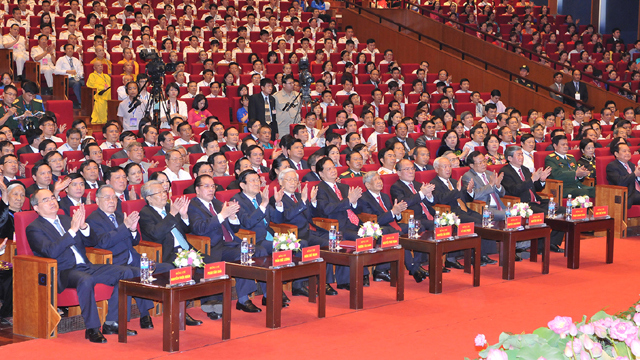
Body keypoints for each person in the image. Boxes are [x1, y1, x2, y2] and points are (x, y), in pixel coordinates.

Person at [26, 191, 136, 343]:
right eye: (46, 200)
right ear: (36, 207)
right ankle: (92, 329)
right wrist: (72, 231)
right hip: (64, 271)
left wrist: (83, 226)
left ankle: (112, 323)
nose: (52, 201)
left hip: (86, 266)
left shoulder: (67, 219)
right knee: (86, 280)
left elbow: (91, 242)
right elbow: (50, 252)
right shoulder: (34, 228)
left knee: (126, 273)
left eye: (52, 197)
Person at [187, 174, 267, 314]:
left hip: (232, 242)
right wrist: (222, 216)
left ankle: (268, 293)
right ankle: (243, 300)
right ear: (197, 190)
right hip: (215, 247)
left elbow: (235, 229)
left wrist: (233, 218)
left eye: (213, 186)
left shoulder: (218, 203)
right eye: (206, 186)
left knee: (260, 251)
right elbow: (199, 228)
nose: (211, 189)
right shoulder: (193, 206)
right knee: (244, 255)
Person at [85, 184, 162, 328]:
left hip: (133, 258)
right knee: (137, 273)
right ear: (97, 200)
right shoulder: (94, 219)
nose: (112, 201)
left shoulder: (120, 215)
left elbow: (135, 241)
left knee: (165, 267)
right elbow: (103, 242)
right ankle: (141, 316)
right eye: (107, 197)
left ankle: (150, 314)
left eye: (114, 197)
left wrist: (132, 230)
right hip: (113, 261)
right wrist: (124, 227)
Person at [137, 181, 213, 324]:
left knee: (211, 264)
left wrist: (184, 216)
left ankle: (210, 303)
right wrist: (172, 213)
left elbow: (186, 230)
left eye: (164, 191)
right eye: (159, 192)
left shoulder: (169, 207)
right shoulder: (146, 213)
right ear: (149, 198)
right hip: (168, 252)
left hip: (186, 249)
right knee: (185, 269)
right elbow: (156, 234)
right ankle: (180, 312)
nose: (163, 194)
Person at [431, 156, 497, 267]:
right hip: (452, 213)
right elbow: (440, 199)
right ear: (437, 169)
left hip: (465, 209)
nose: (448, 169)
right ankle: (472, 256)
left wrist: (469, 192)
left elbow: (466, 199)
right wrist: (456, 190)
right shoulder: (434, 184)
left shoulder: (453, 181)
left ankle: (483, 254)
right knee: (476, 223)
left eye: (450, 166)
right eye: (445, 166)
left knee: (485, 220)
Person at [499, 146, 566, 253]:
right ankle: (539, 246)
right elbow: (513, 190)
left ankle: (551, 243)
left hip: (536, 201)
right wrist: (532, 179)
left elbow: (536, 188)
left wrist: (541, 181)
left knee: (563, 212)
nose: (521, 157)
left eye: (522, 154)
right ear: (509, 158)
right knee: (547, 215)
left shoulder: (525, 169)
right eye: (518, 155)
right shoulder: (505, 171)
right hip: (524, 204)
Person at [360, 171, 414, 281]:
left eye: (379, 179)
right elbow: (374, 221)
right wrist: (393, 212)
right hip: (376, 228)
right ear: (368, 185)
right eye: (375, 180)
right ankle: (412, 267)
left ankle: (416, 263)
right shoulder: (364, 199)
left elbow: (394, 216)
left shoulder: (384, 196)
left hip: (391, 225)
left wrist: (398, 213)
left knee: (415, 227)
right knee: (394, 234)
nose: (379, 182)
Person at [389, 159, 434, 280]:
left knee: (443, 224)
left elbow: (431, 204)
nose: (411, 171)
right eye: (407, 169)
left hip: (426, 216)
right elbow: (404, 203)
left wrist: (429, 197)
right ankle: (416, 265)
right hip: (412, 218)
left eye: (412, 168)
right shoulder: (396, 187)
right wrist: (421, 194)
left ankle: (432, 262)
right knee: (424, 226)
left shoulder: (419, 185)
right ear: (398, 172)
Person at [462, 151, 507, 220]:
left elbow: (502, 194)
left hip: (500, 206)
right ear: (471, 165)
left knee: (517, 213)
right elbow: (474, 195)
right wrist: (490, 185)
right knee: (509, 215)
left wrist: (498, 186)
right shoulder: (468, 176)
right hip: (485, 208)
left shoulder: (490, 174)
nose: (484, 164)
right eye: (480, 163)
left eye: (484, 161)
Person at [606, 142, 640, 208]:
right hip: (627, 194)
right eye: (624, 151)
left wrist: (638, 176)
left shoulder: (631, 165)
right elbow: (619, 182)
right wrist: (634, 174)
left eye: (629, 151)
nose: (627, 153)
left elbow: (636, 179)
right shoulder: (612, 166)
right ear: (616, 154)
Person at [54, 44, 84, 109]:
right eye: (68, 49)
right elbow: (56, 71)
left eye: (71, 49)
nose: (70, 50)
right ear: (65, 51)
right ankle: (80, 102)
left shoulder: (76, 60)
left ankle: (89, 102)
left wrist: (82, 74)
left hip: (77, 77)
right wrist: (67, 71)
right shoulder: (61, 59)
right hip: (67, 79)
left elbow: (80, 71)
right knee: (76, 83)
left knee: (86, 82)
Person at [273, 74, 300, 139]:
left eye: (293, 83)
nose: (292, 85)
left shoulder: (297, 95)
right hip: (283, 128)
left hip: (295, 126)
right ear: (284, 85)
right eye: (290, 83)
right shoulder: (276, 96)